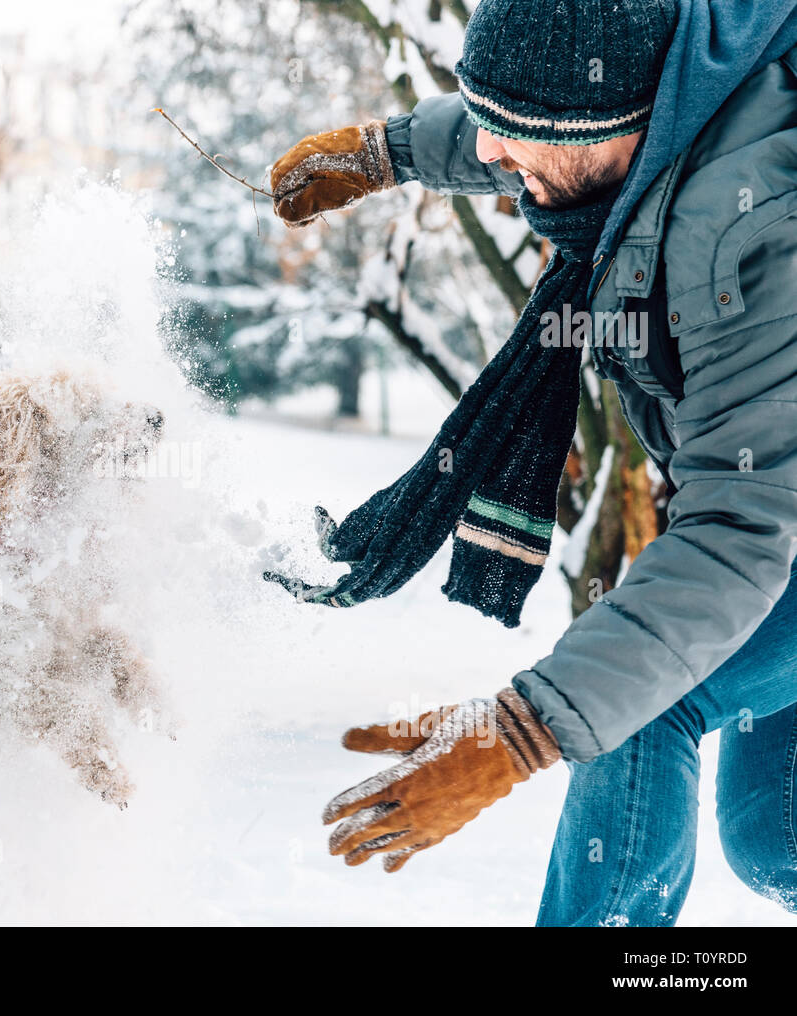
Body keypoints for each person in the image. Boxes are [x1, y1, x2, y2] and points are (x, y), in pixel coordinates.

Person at [264, 0, 797, 925]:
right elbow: (525, 129)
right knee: (776, 838)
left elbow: (738, 533)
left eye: (514, 146)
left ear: (611, 126)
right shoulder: (663, 96)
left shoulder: (748, 231)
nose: (496, 166)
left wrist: (517, 735)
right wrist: (384, 151)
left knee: (633, 718)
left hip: (768, 523)